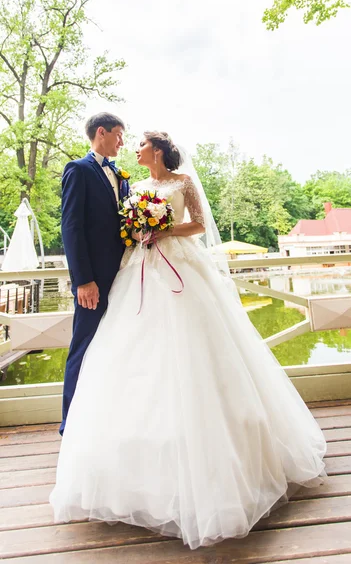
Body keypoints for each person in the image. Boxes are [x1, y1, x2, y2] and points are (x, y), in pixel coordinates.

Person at [50, 131, 326, 549]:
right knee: (130, 357)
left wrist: (164, 230)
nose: (135, 149)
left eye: (140, 144)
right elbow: (115, 225)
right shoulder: (134, 186)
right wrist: (139, 231)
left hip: (179, 266)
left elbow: (198, 224)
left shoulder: (183, 183)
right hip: (138, 269)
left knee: (196, 350)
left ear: (157, 151)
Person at [59, 112, 129, 435]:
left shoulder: (122, 176)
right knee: (83, 346)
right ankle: (70, 425)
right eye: (119, 135)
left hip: (125, 280)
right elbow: (71, 229)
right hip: (94, 283)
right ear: (101, 132)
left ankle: (108, 421)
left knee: (118, 348)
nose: (122, 142)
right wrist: (83, 281)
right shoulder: (78, 170)